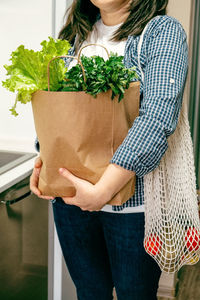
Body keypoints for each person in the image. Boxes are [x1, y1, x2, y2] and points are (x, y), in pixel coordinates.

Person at [30, 0, 188, 299]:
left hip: (134, 206)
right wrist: (44, 161)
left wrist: (103, 192)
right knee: (90, 292)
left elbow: (157, 119)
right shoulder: (73, 36)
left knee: (135, 294)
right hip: (70, 200)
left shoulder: (161, 32)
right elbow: (57, 114)